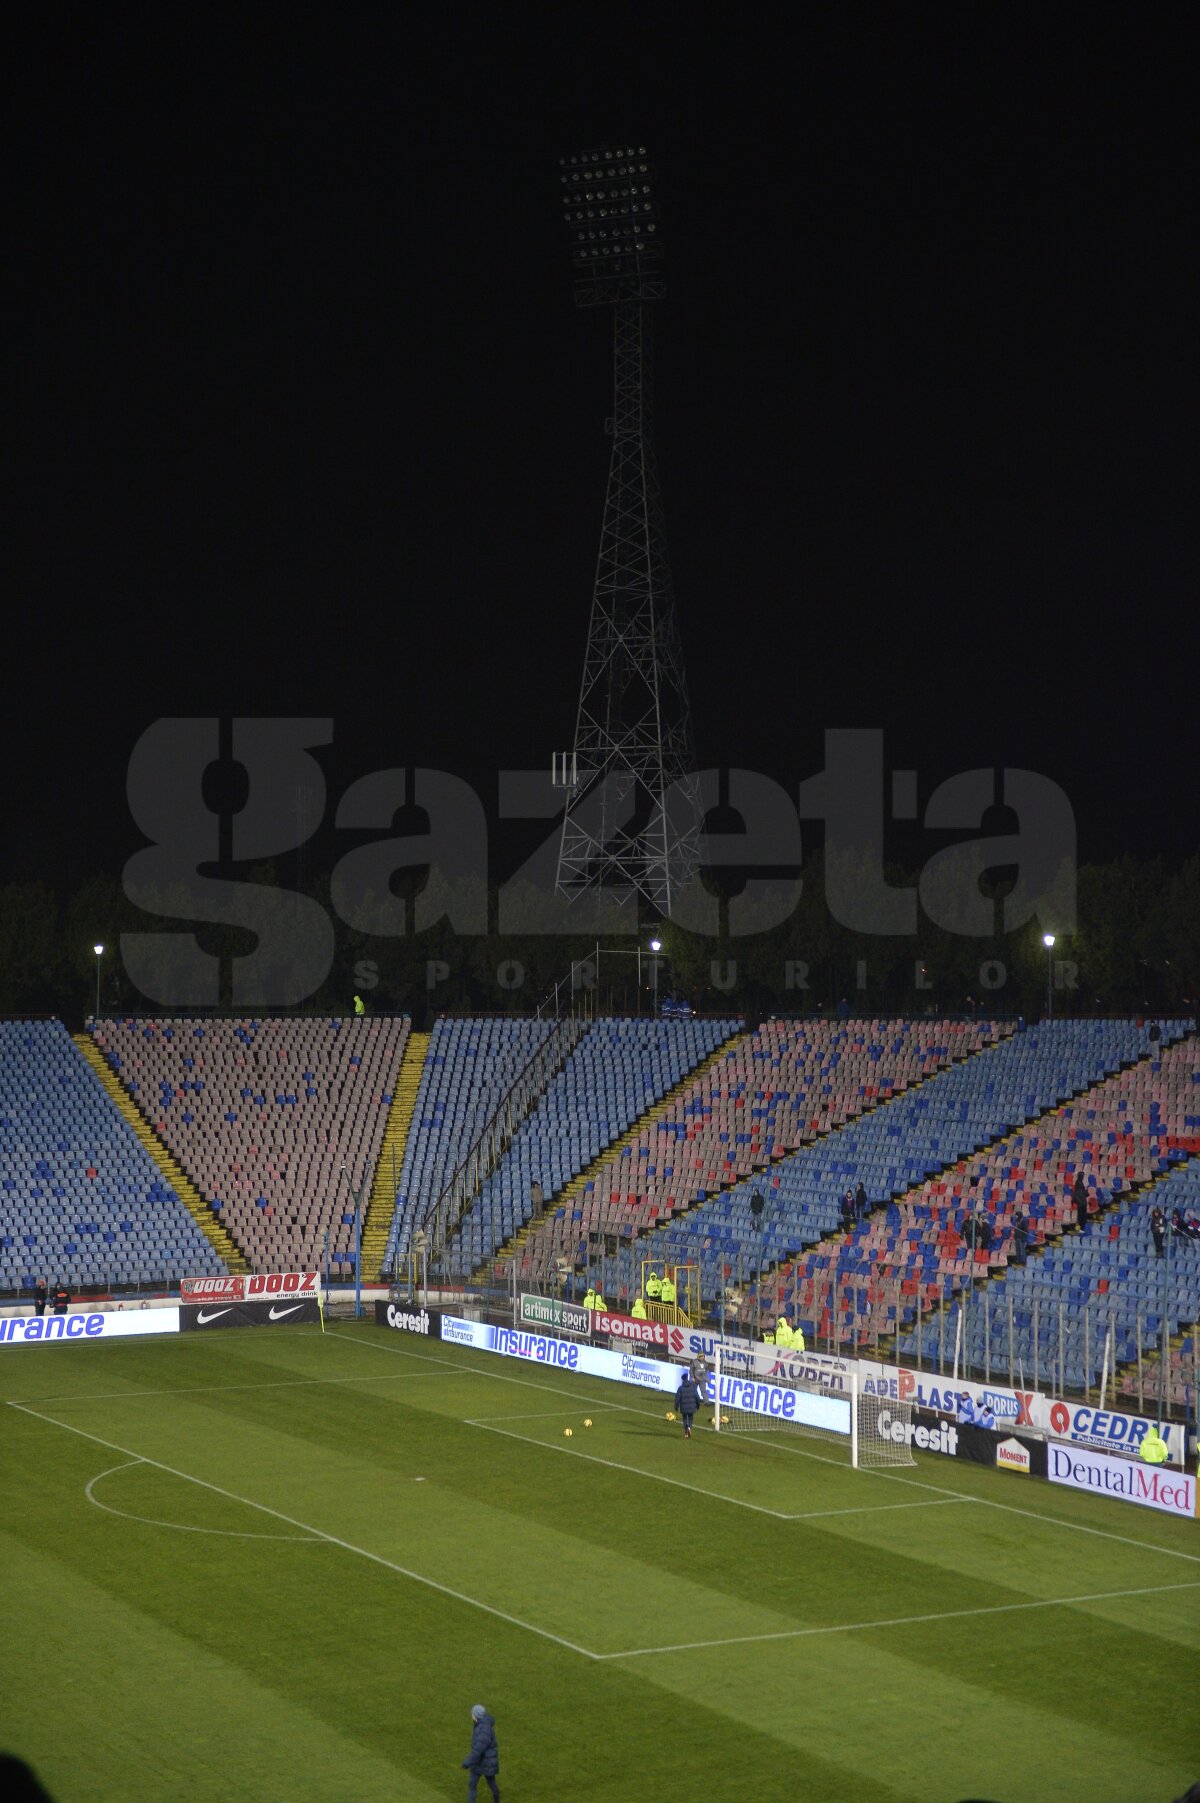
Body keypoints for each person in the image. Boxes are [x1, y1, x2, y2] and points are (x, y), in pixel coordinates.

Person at [461, 1704, 500, 1803]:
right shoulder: (481, 1724)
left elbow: (479, 1749)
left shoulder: (484, 1729)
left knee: (489, 1783)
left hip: (484, 1761)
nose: (471, 1715)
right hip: (483, 1761)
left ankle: (496, 1800)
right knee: (473, 1784)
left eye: (472, 1713)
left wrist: (468, 1762)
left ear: (475, 1715)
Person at [675, 1368, 701, 1438]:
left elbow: (677, 1398)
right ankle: (689, 1427)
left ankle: (686, 1432)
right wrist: (698, 1405)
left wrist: (676, 1406)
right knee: (690, 1418)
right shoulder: (693, 1387)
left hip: (683, 1407)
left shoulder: (680, 1388)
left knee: (684, 1419)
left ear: (682, 1380)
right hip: (692, 1407)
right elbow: (697, 1397)